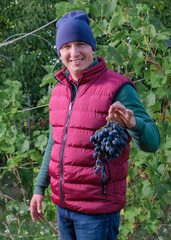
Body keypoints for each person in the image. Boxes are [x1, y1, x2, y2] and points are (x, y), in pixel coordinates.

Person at [30, 11, 160, 240]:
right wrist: (40, 188)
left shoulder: (117, 87)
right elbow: (54, 142)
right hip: (63, 209)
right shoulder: (59, 91)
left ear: (92, 48)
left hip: (97, 214)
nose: (74, 52)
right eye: (67, 46)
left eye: (81, 44)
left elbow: (153, 142)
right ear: (60, 51)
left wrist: (133, 124)